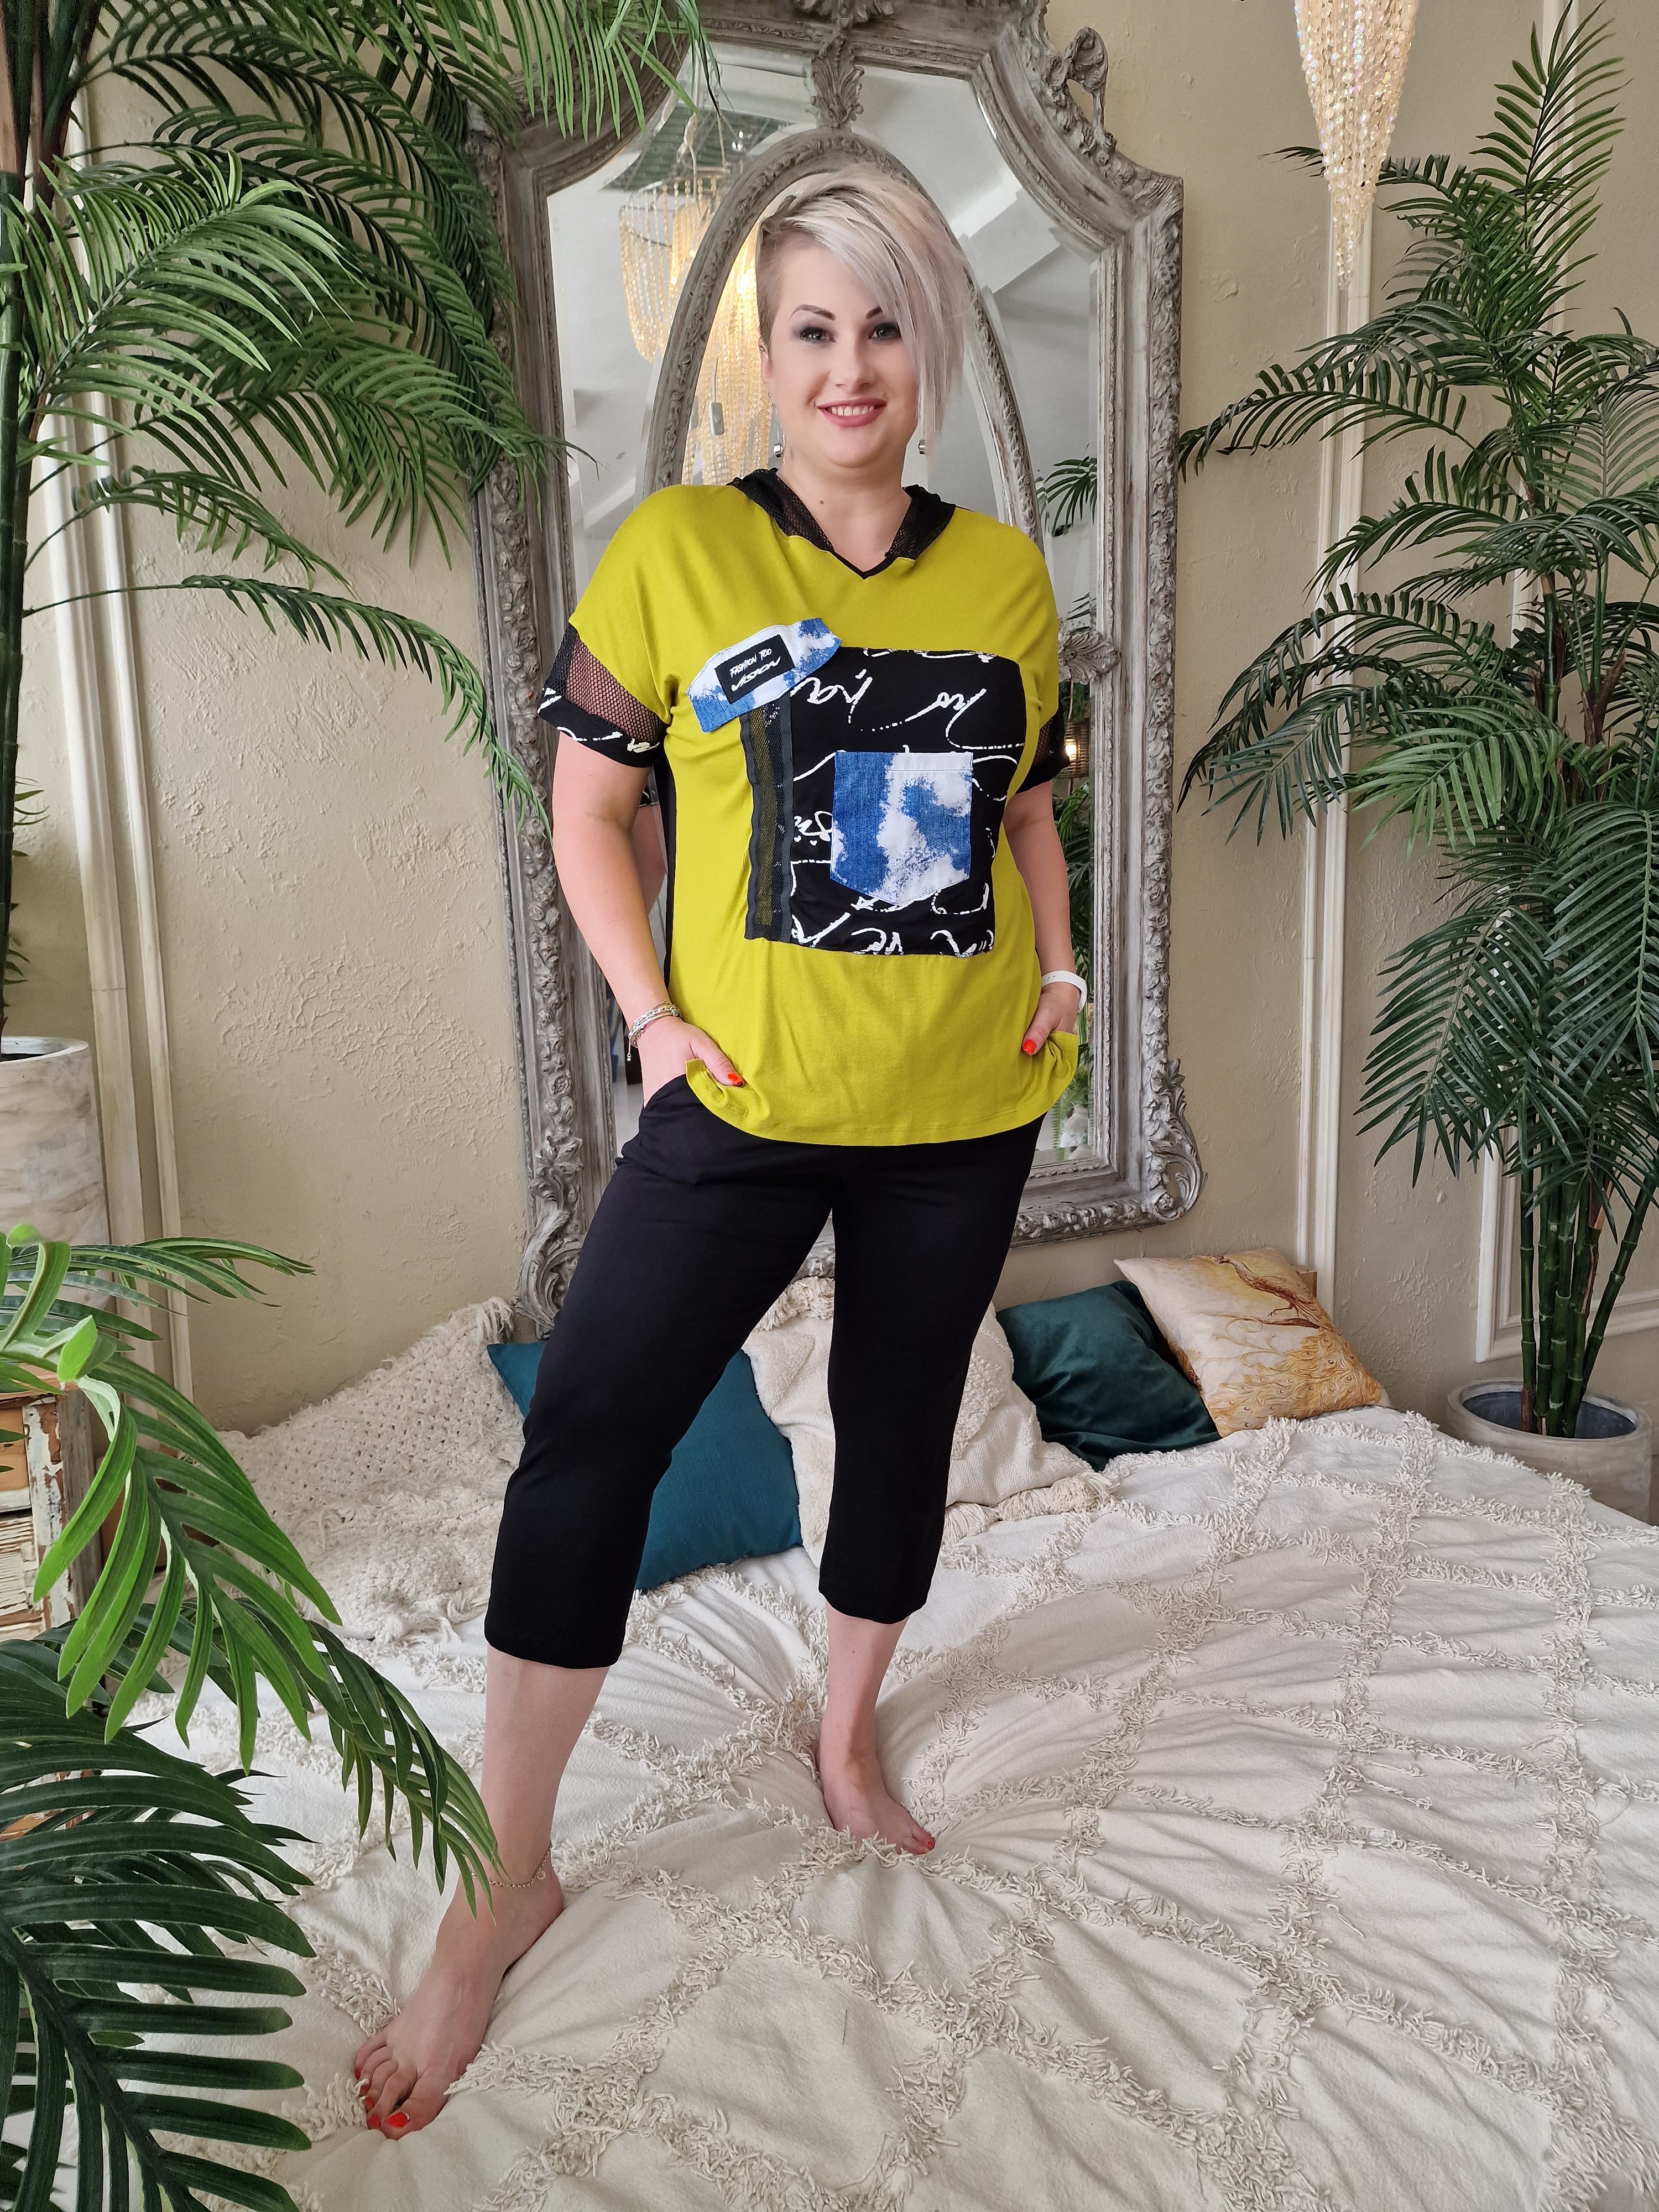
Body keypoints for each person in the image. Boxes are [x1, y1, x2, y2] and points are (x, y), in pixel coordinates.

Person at [353, 165, 1085, 2136]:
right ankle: (505, 1880)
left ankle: (843, 1737)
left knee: (899, 1421)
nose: (851, 365)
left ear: (932, 346)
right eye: (813, 329)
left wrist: (1064, 966)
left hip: (958, 1110)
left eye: (886, 325)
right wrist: (653, 1024)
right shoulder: (676, 552)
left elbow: (1023, 807)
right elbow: (589, 815)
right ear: (766, 356)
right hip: (738, 1109)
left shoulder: (1003, 581)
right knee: (592, 1432)